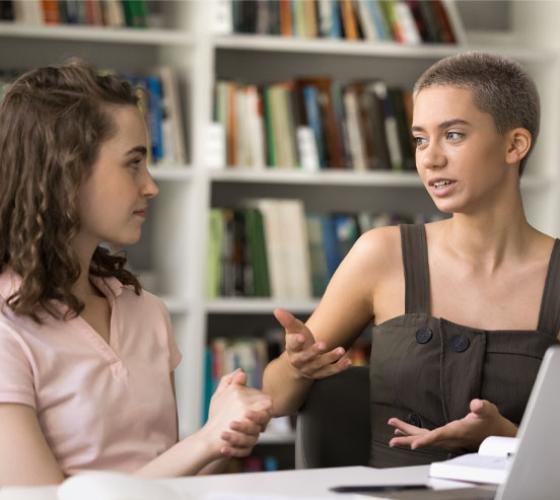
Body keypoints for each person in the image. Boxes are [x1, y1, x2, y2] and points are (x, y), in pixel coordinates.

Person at [263, 51, 560, 468]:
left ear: (515, 144)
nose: (430, 158)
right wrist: (297, 366)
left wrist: (509, 439)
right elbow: (275, 399)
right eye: (420, 139)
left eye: (453, 135)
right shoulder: (381, 254)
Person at [0, 61, 272, 486]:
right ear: (65, 172)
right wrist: (202, 441)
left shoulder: (146, 311)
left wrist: (225, 435)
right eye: (133, 164)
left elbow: (169, 482)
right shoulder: (6, 329)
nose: (151, 186)